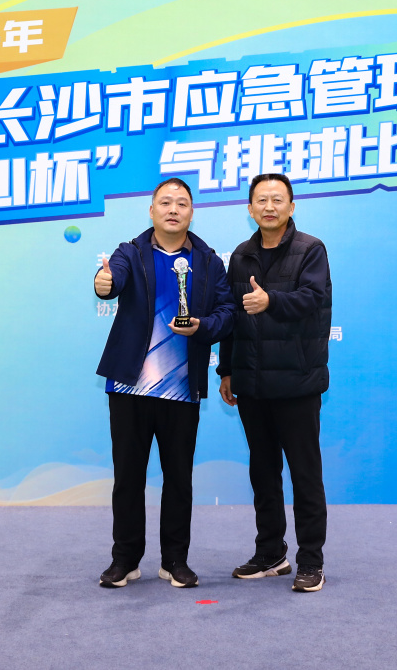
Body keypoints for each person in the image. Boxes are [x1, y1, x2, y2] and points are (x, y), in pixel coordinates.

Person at [94, 178, 234, 589]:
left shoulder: (208, 261)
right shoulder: (129, 253)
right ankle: (125, 560)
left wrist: (202, 326)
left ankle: (175, 561)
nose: (174, 209)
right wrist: (104, 284)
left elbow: (228, 313)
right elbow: (113, 281)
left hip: (181, 389)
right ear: (151, 210)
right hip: (129, 388)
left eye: (182, 203)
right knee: (128, 478)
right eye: (166, 202)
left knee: (178, 479)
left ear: (192, 212)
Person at [218, 173, 332, 593]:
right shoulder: (241, 255)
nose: (269, 206)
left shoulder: (310, 249)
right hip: (252, 384)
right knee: (263, 474)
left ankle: (311, 560)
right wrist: (226, 369)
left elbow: (313, 299)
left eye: (277, 199)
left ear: (291, 206)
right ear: (250, 209)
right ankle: (270, 553)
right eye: (261, 200)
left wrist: (271, 300)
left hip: (297, 382)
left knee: (305, 475)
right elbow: (231, 314)